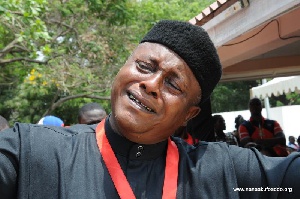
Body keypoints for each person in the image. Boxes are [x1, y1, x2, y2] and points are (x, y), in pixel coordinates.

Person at [0, 20, 299, 198]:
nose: (151, 84)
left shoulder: (225, 171)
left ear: (188, 115)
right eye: (144, 66)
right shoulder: (32, 151)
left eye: (174, 84)